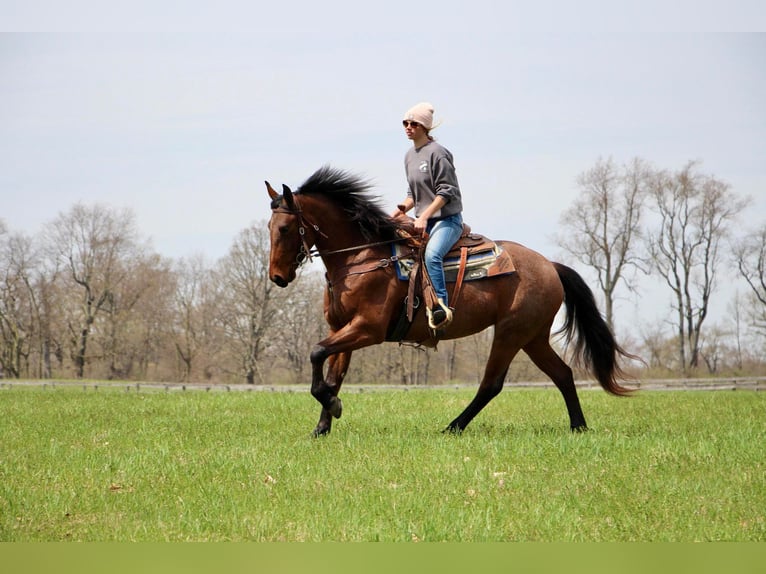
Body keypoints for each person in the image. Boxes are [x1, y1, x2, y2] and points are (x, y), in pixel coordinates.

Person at [391, 102, 464, 330]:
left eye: (414, 123)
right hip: (424, 221)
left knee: (432, 255)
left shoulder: (438, 154)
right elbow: (413, 193)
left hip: (446, 220)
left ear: (425, 127)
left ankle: (440, 308)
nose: (408, 127)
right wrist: (398, 211)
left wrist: (423, 217)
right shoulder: (409, 156)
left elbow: (446, 192)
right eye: (406, 123)